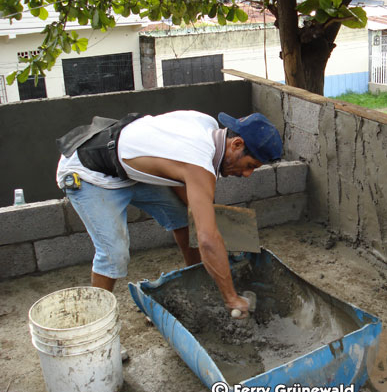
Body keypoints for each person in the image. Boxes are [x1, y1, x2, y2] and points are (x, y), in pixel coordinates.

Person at [56, 110, 283, 318]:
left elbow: (178, 173)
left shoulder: (207, 125)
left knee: (189, 220)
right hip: (89, 171)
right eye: (250, 165)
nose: (246, 175)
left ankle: (197, 285)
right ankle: (98, 328)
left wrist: (206, 220)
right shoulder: (198, 159)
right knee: (113, 254)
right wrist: (231, 297)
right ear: (236, 144)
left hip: (130, 171)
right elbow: (206, 239)